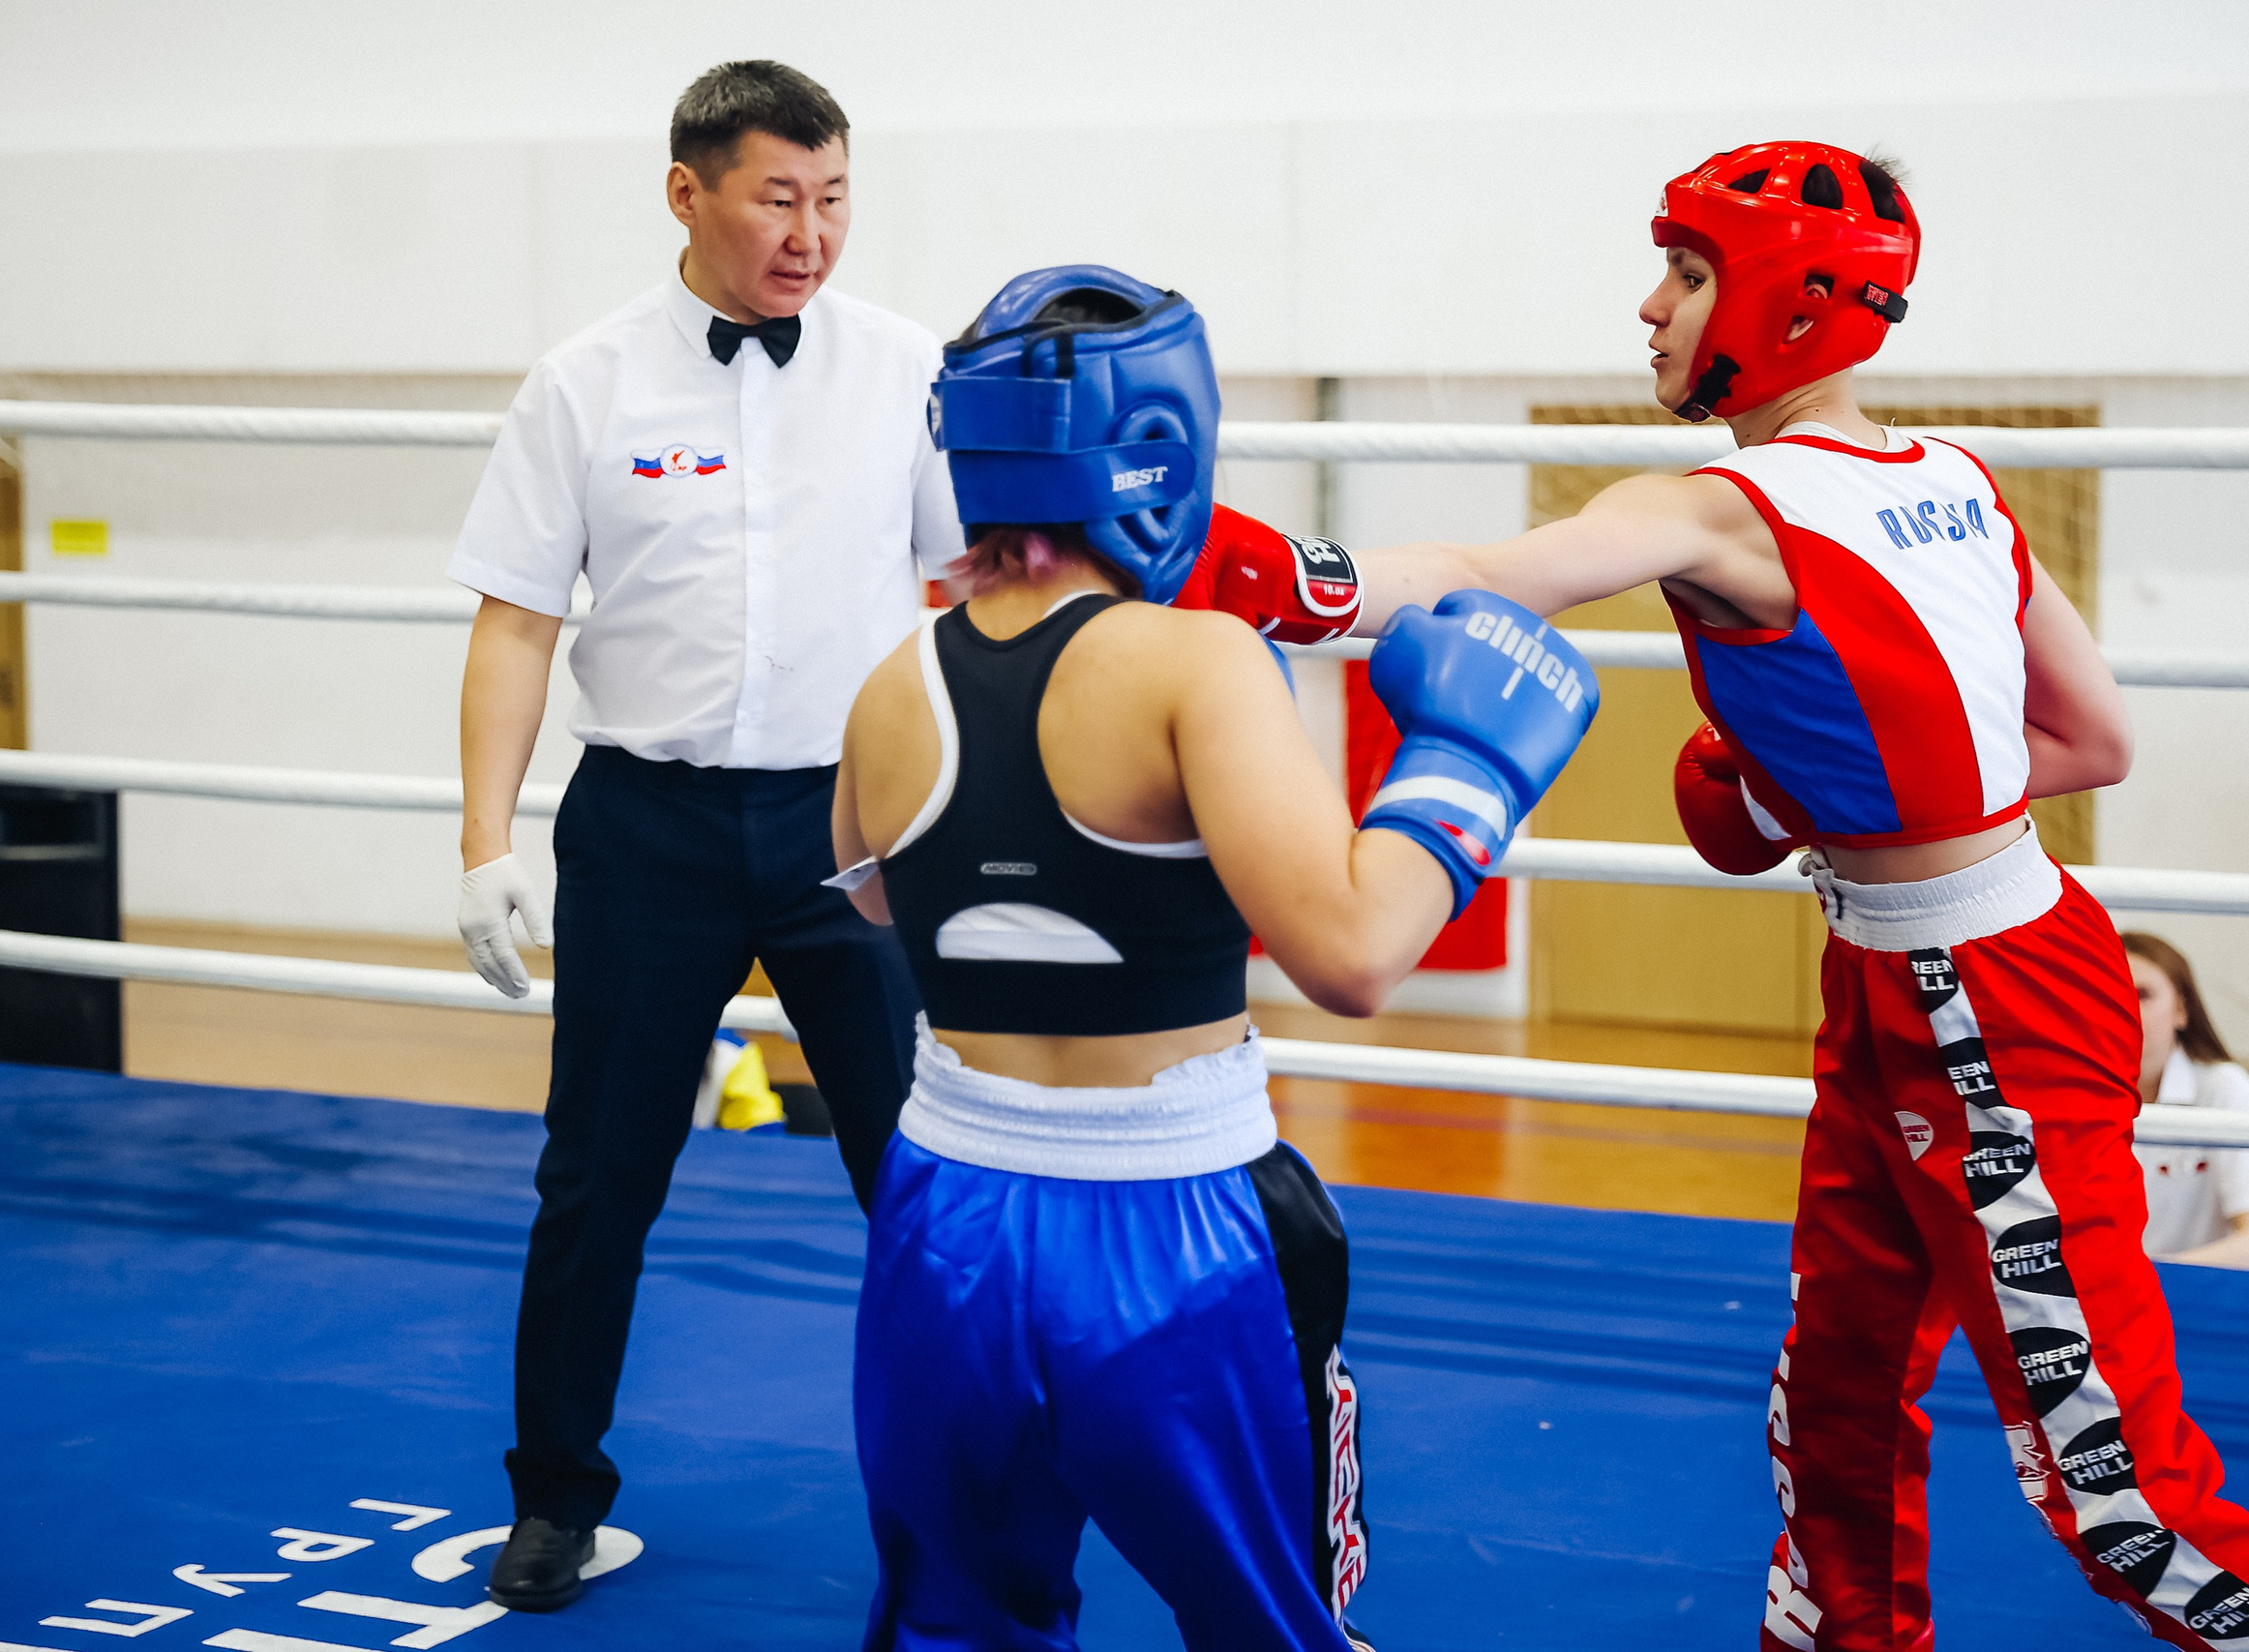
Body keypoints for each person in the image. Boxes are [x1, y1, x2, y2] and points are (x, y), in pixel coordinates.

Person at [1188, 144, 2249, 1649]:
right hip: (1938, 973)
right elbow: (2097, 739)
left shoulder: (1731, 509)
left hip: (1989, 1012)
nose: (1651, 307)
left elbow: (1475, 574)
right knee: (1837, 1398)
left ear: (1787, 297)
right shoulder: (1960, 483)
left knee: (2119, 1493)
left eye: (1688, 273)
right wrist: (1827, 782)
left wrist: (1219, 561)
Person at [829, 265, 1597, 1650]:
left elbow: (881, 900)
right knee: (1264, 1625)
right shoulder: (1198, 661)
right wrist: (1466, 768)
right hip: (1168, 1221)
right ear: (1165, 444)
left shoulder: (893, 680)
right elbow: (1357, 951)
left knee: (956, 1623)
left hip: (944, 1213)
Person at [447, 61, 963, 1611]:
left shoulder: (905, 368)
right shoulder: (584, 382)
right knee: (597, 1175)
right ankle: (555, 1500)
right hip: (648, 824)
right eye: (776, 197)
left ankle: (962, 1496)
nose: (811, 232)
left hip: (854, 820)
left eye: (834, 197)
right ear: (689, 193)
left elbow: (969, 594)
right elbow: (517, 620)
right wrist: (485, 836)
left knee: (923, 1181)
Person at [2123, 932, 2249, 1271]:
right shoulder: (2068, 1093)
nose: (2125, 1006)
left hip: (2199, 1295)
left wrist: (2137, 1282)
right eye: (2109, 991)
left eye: (2142, 994)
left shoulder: (2227, 1092)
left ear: (2181, 1010)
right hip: (2109, 1305)